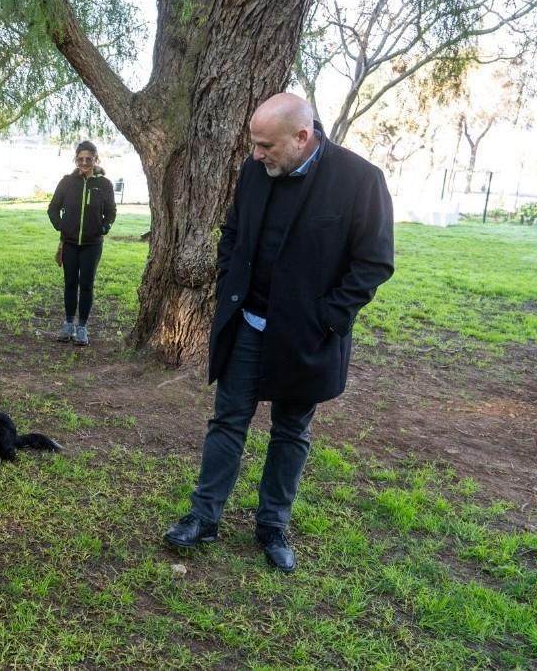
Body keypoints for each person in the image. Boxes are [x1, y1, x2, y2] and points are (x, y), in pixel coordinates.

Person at [163, 93, 394, 573]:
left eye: (266, 145)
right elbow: (232, 232)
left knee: (291, 430)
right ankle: (204, 518)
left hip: (306, 337)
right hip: (247, 323)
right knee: (227, 420)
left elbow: (373, 263)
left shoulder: (360, 180)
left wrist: (327, 318)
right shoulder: (257, 170)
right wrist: (231, 280)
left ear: (302, 138)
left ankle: (272, 526)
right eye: (254, 144)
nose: (255, 155)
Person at [47, 140, 117, 346]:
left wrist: (104, 228)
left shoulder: (104, 184)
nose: (84, 162)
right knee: (70, 284)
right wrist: (62, 226)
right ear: (76, 160)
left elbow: (111, 212)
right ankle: (68, 324)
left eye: (89, 159)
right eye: (81, 159)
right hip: (69, 243)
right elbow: (53, 208)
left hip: (92, 244)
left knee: (86, 284)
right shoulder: (67, 182)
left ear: (96, 160)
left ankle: (82, 327)